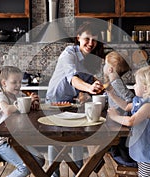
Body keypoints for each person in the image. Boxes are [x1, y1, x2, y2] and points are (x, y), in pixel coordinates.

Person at [45, 21, 105, 177]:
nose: (90, 43)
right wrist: (89, 88)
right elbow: (73, 79)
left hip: (72, 102)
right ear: (78, 37)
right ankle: (54, 174)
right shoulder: (69, 53)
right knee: (55, 138)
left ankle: (78, 172)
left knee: (77, 135)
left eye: (94, 39)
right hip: (54, 101)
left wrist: (92, 86)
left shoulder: (91, 58)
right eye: (87, 38)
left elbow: (88, 80)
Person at [107, 66, 150, 176]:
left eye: (136, 84)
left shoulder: (148, 105)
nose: (134, 86)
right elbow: (126, 106)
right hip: (145, 152)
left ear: (145, 88)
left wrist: (114, 117)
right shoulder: (141, 101)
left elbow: (130, 121)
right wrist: (111, 94)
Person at [0, 66, 44, 177]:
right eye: (14, 82)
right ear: (4, 83)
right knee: (25, 167)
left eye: (19, 81)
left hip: (14, 139)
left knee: (39, 160)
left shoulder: (19, 95)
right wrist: (25, 102)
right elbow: (7, 110)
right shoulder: (1, 96)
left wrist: (34, 103)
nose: (18, 85)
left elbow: (27, 108)